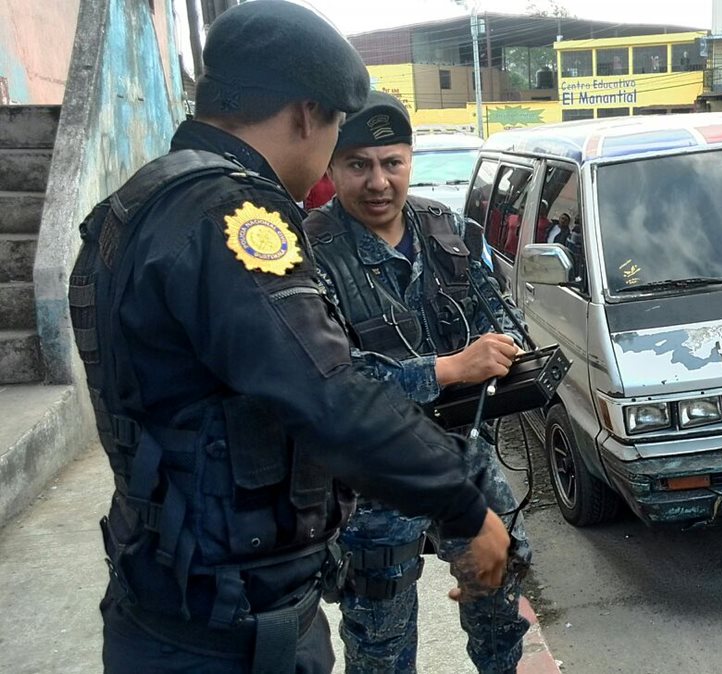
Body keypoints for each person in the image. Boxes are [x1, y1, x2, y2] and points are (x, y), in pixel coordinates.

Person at [69, 3, 513, 671]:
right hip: (232, 626)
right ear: (308, 114)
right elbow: (327, 391)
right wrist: (463, 507)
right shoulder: (233, 216)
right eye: (339, 133)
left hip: (170, 591)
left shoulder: (140, 201)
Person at [304, 91, 531, 674]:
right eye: (359, 165)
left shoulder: (445, 228)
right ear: (331, 166)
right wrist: (449, 368)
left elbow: (498, 318)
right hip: (374, 477)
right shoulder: (309, 253)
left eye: (392, 163)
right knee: (381, 636)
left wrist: (502, 350)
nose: (378, 182)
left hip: (463, 453)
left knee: (504, 585)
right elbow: (332, 386)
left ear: (410, 161)